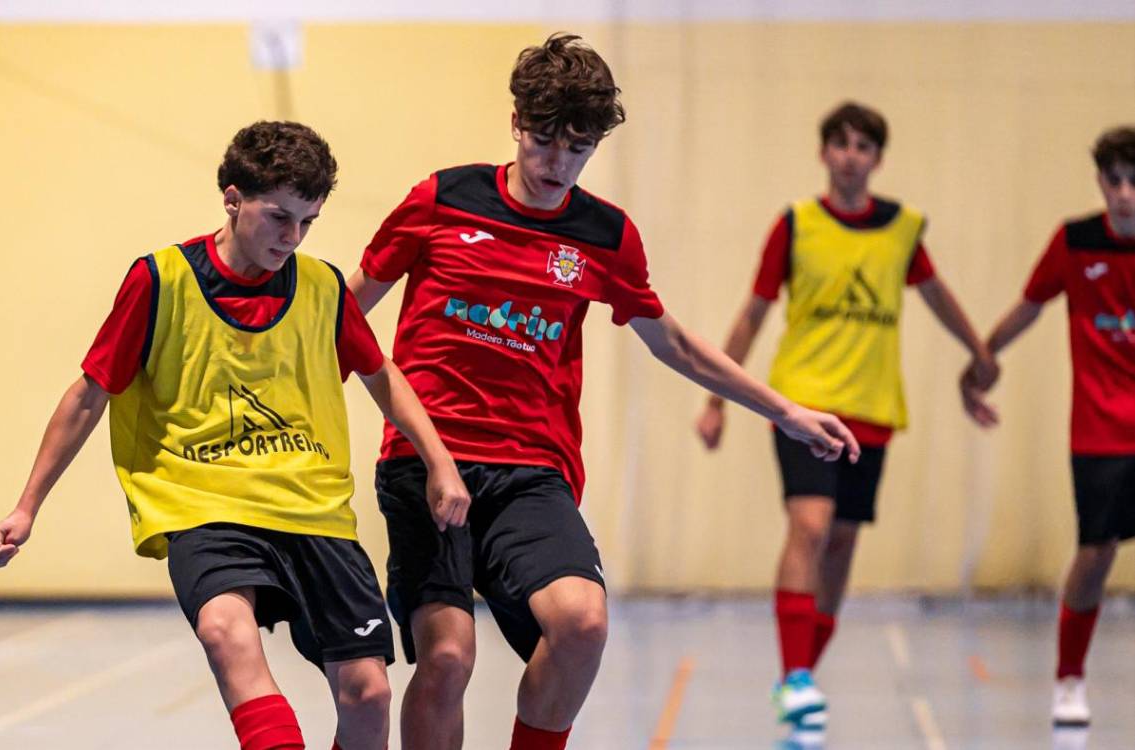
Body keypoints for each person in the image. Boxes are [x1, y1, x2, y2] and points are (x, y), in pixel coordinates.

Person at [350, 34, 859, 750]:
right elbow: (345, 315)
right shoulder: (441, 198)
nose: (556, 163)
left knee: (582, 623)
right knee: (445, 658)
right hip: (426, 460)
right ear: (515, 123)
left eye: (577, 147)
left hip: (532, 471)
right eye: (543, 141)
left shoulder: (603, 235)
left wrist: (785, 411)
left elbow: (673, 343)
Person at [0, 120, 471, 750]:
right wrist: (27, 507)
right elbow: (88, 393)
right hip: (204, 502)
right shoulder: (161, 280)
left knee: (368, 693)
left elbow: (383, 377)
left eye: (307, 222)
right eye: (278, 217)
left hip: (312, 509)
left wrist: (441, 461)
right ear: (232, 197)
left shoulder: (322, 287)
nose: (291, 237)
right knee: (226, 632)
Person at [693, 101, 997, 743]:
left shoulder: (903, 229)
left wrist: (980, 351)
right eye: (841, 143)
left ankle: (799, 675)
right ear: (824, 153)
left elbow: (939, 297)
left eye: (864, 146)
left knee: (841, 542)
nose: (852, 155)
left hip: (874, 407)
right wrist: (717, 398)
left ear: (878, 159)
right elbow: (752, 314)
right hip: (804, 403)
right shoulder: (796, 226)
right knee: (810, 523)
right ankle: (797, 674)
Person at [966, 125, 1135, 729]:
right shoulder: (1075, 242)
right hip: (1101, 433)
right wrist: (982, 358)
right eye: (1115, 182)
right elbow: (1029, 306)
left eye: (1134, 183)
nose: (1125, 195)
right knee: (1095, 556)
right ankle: (1069, 678)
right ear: (1101, 184)